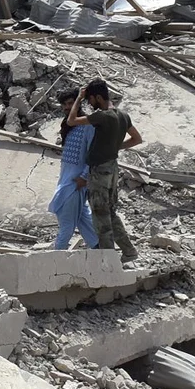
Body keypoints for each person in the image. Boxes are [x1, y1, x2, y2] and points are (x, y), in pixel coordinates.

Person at [66, 78, 141, 263]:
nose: (90, 104)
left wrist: (79, 98)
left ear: (98, 97)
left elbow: (71, 120)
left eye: (90, 100)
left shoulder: (102, 116)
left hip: (99, 171)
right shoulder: (123, 115)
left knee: (100, 215)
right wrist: (114, 147)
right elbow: (136, 139)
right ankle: (129, 251)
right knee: (111, 212)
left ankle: (107, 260)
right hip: (113, 168)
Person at [47, 96, 99, 249]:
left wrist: (84, 177)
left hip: (75, 184)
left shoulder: (88, 125)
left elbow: (93, 153)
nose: (67, 107)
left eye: (71, 103)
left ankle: (55, 264)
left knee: (67, 228)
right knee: (87, 223)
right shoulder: (68, 126)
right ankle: (102, 254)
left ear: (78, 105)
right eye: (64, 104)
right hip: (68, 183)